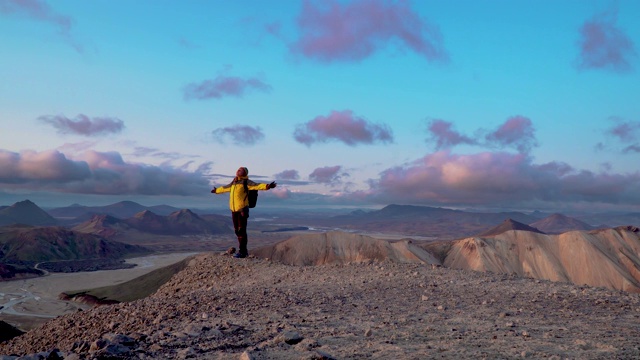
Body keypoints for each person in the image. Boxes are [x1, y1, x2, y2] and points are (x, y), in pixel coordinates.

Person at [210, 166, 276, 258]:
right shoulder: (234, 182)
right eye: (238, 169)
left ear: (245, 173)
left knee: (242, 230)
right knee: (237, 231)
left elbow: (257, 185)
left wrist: (267, 186)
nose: (238, 170)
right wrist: (216, 190)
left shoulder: (246, 182)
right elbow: (225, 188)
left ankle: (243, 252)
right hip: (234, 210)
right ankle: (242, 251)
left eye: (241, 170)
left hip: (242, 210)